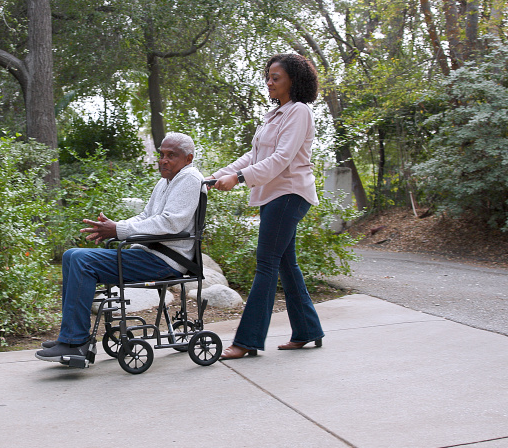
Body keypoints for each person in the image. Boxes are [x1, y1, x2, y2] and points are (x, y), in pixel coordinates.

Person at [36, 132, 204, 363]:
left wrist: (119, 230)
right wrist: (116, 226)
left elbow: (170, 223)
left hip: (166, 260)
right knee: (71, 255)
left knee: (82, 260)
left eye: (171, 155)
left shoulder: (189, 179)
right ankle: (70, 337)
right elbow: (146, 216)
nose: (163, 160)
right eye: (161, 155)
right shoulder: (166, 181)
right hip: (149, 254)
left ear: (188, 158)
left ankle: (75, 343)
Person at [208, 53, 324, 359]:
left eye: (276, 78)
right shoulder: (275, 115)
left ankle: (247, 341)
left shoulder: (299, 112)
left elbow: (281, 158)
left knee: (266, 264)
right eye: (268, 77)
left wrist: (239, 178)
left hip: (289, 193)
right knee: (285, 263)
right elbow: (255, 155)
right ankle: (308, 330)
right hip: (273, 195)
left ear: (293, 81)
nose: (269, 82)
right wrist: (219, 175)